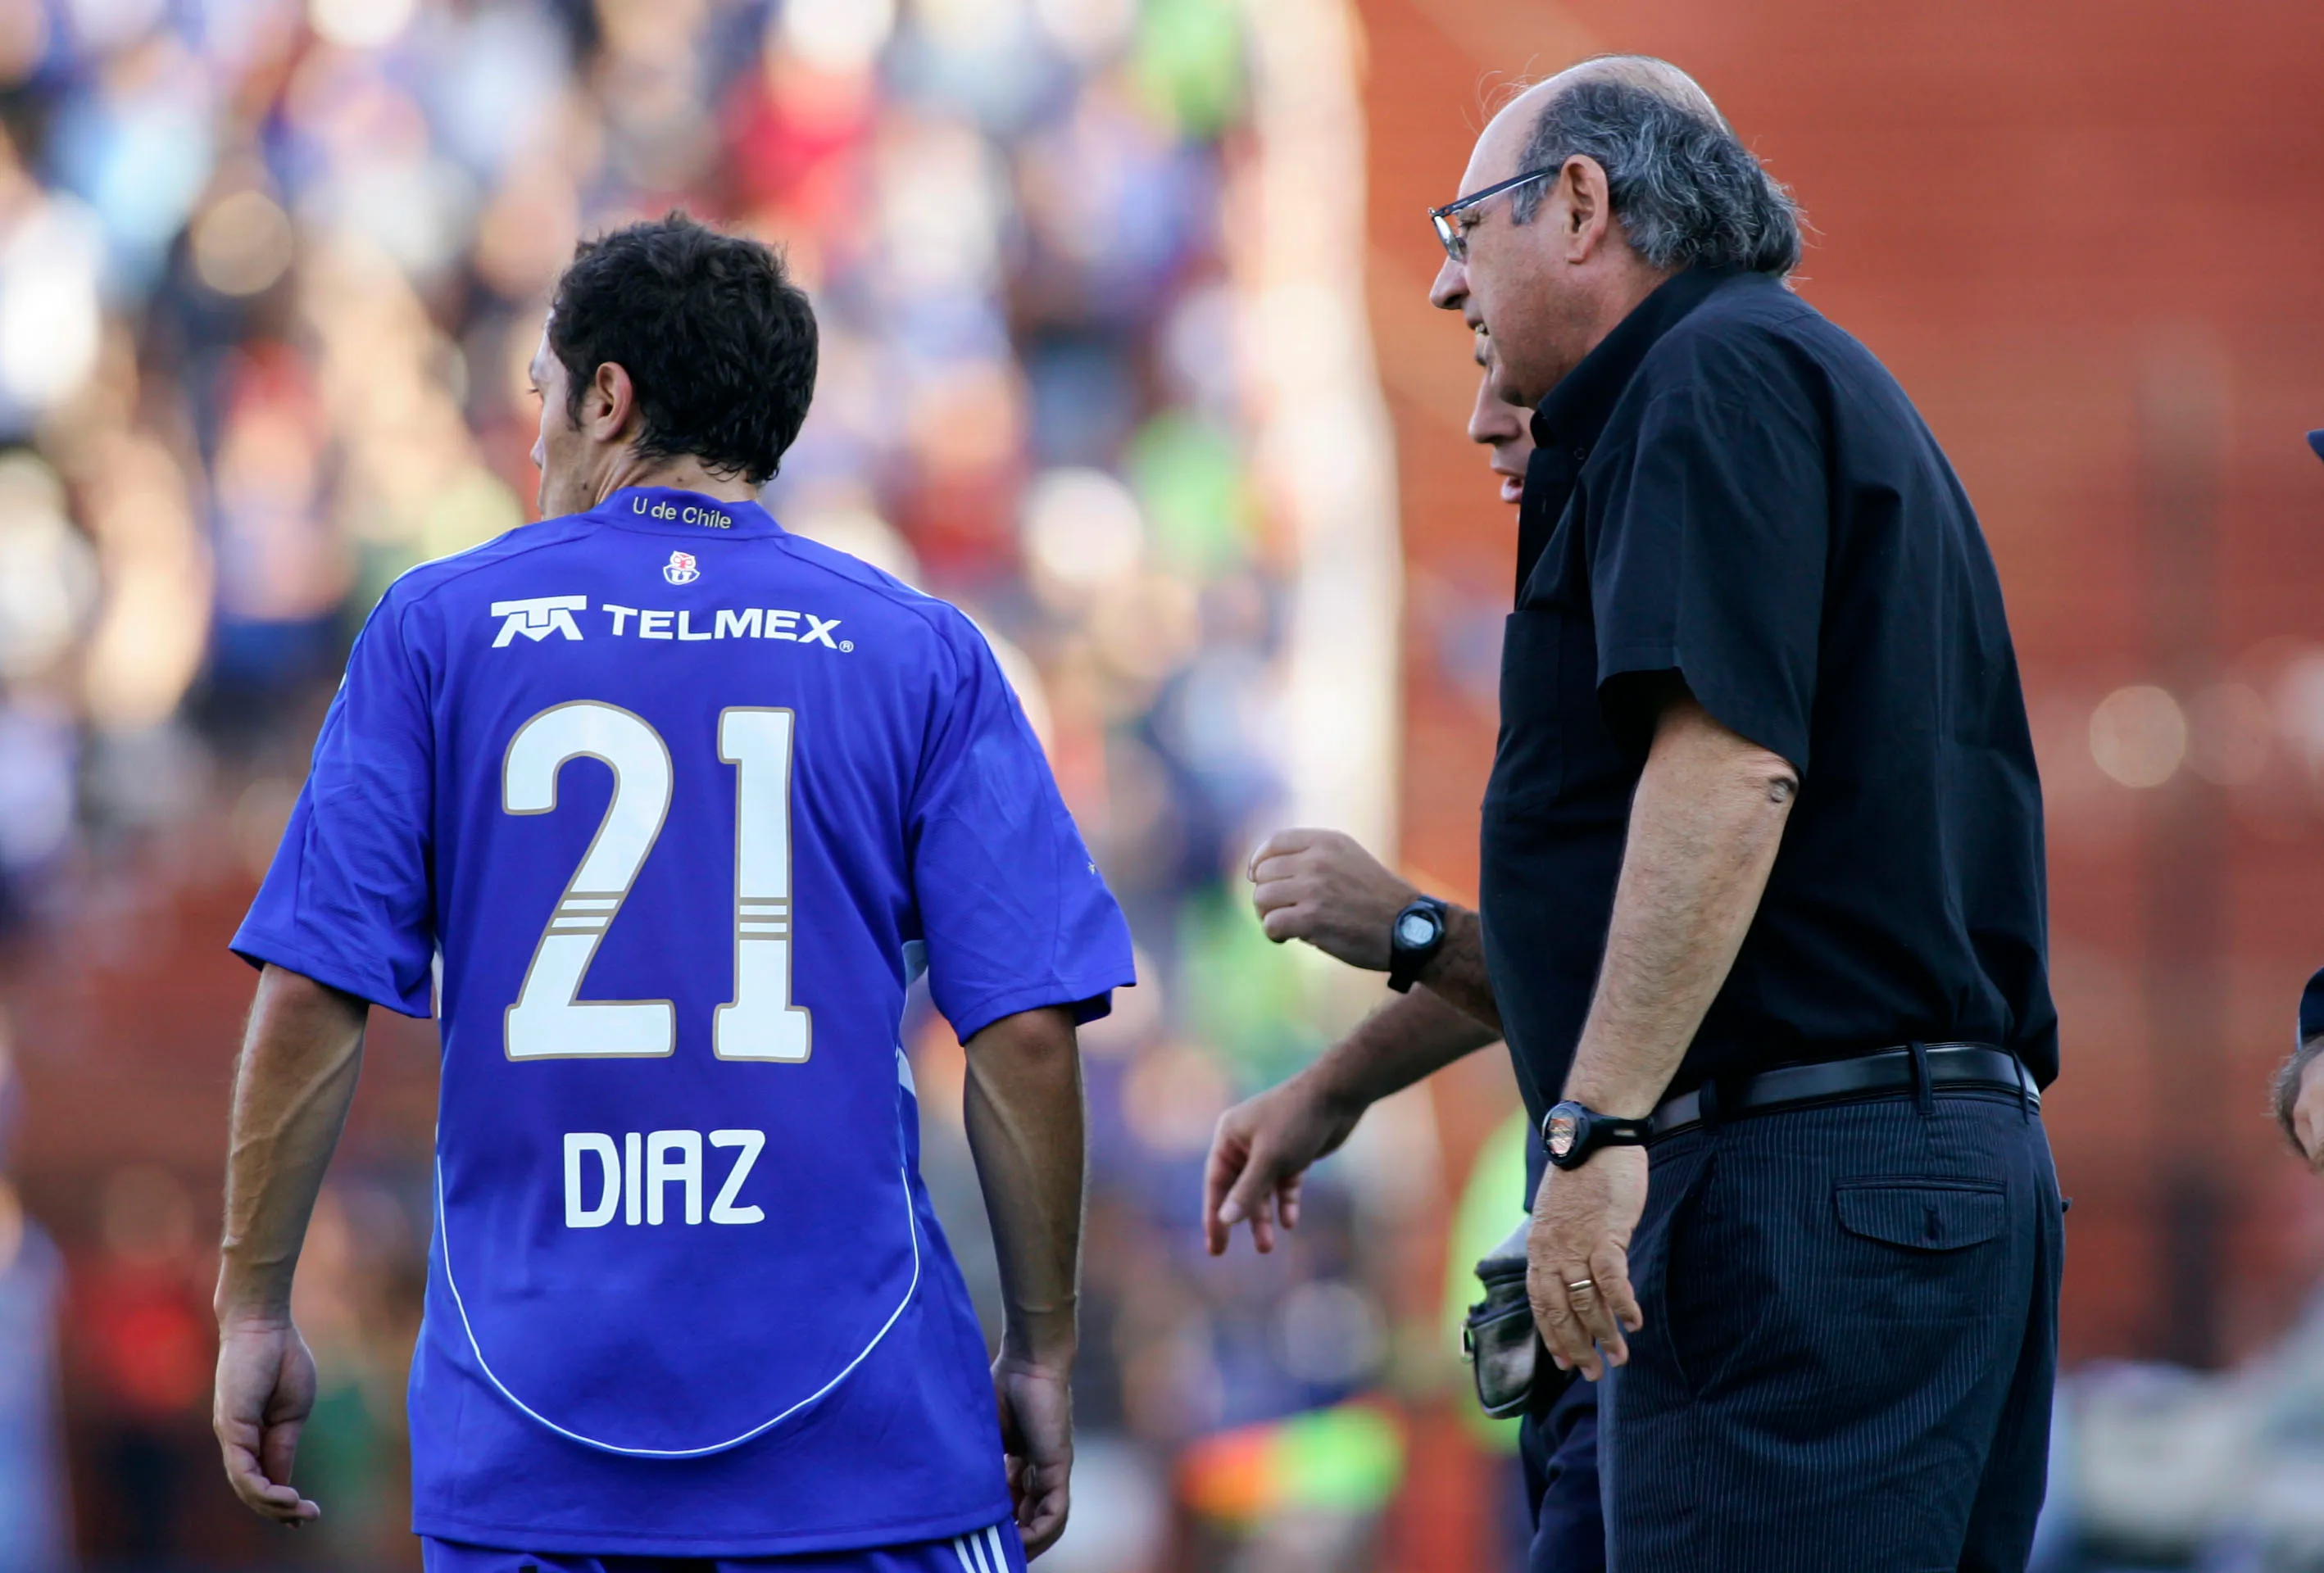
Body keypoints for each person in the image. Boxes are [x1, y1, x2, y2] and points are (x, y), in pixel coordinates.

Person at [211, 214, 1134, 1570]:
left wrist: (252, 1309)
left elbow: (313, 988)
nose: (534, 438)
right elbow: (1027, 1031)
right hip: (862, 1426)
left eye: (542, 391)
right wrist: (1043, 1351)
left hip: (533, 1424)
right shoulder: (920, 650)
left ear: (607, 395)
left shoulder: (436, 628)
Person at [1454, 54, 2066, 1570]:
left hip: (1809, 1184)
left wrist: (1591, 1135)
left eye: (1466, 225)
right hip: (1884, 1175)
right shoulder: (1762, 369)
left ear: (1581, 204)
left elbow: (1730, 775)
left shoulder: (1707, 372)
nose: (1451, 277)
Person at [1206, 333, 1607, 1572]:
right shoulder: (1583, 623)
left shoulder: (1663, 632)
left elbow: (1605, 976)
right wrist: (1333, 1088)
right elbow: (1559, 951)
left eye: (1519, 391)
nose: (1483, 421)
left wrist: (1408, 928)